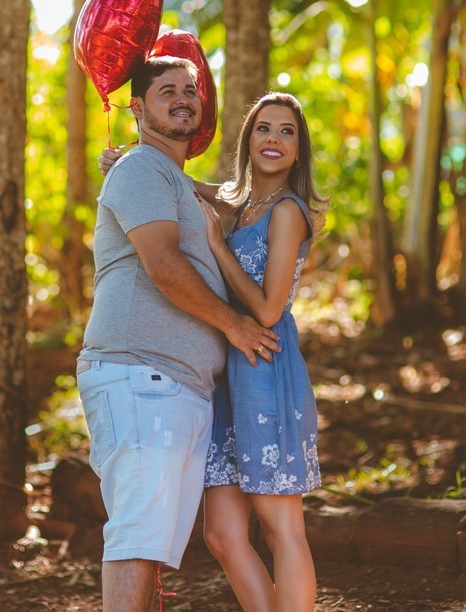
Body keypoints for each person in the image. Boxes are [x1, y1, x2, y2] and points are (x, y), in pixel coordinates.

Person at [101, 91, 327, 612]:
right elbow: (177, 180)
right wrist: (127, 161)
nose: (274, 139)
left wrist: (219, 247)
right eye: (264, 128)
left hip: (265, 368)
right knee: (222, 534)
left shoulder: (287, 212)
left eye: (287, 132)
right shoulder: (239, 204)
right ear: (248, 139)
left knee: (281, 525)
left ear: (299, 150)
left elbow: (267, 310)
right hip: (227, 376)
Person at [79, 55, 281, 612]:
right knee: (137, 536)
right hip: (140, 373)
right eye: (167, 91)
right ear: (137, 109)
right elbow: (164, 266)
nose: (183, 98)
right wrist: (236, 325)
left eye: (190, 90)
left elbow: (236, 199)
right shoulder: (140, 170)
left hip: (176, 384)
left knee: (151, 545)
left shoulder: (169, 178)